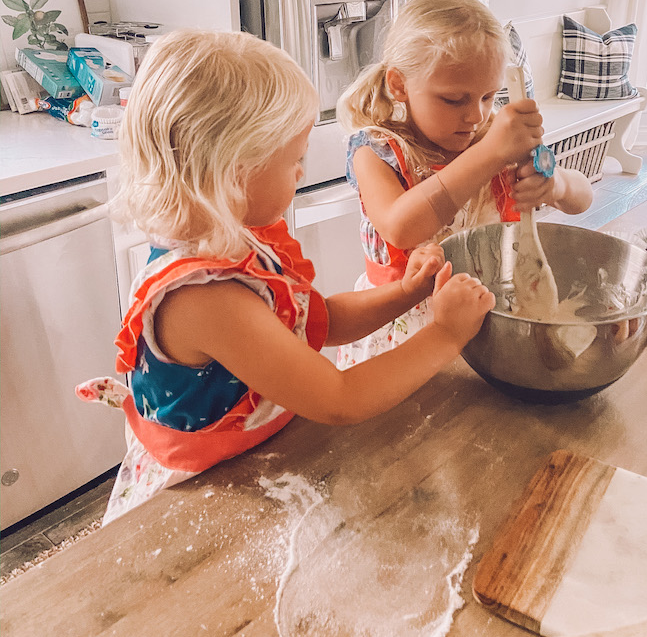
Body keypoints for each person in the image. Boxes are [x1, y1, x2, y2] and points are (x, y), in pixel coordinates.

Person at [76, 30, 495, 524]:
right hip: (200, 498)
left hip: (255, 459)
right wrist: (446, 334)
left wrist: (406, 292)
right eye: (294, 160)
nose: (300, 174)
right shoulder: (204, 301)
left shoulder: (233, 238)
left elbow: (317, 322)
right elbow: (340, 398)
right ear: (234, 171)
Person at [335, 0, 593, 368]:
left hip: (489, 324)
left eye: (489, 96)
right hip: (403, 336)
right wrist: (489, 155)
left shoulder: (496, 138)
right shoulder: (377, 151)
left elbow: (582, 198)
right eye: (454, 100)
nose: (475, 115)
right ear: (399, 84)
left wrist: (556, 186)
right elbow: (401, 227)